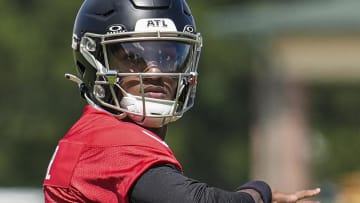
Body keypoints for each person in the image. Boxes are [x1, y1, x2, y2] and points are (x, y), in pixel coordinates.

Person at [43, 0, 321, 202]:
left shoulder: (93, 133)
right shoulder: (113, 141)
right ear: (93, 62)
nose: (155, 72)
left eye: (166, 57)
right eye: (133, 57)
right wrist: (260, 193)